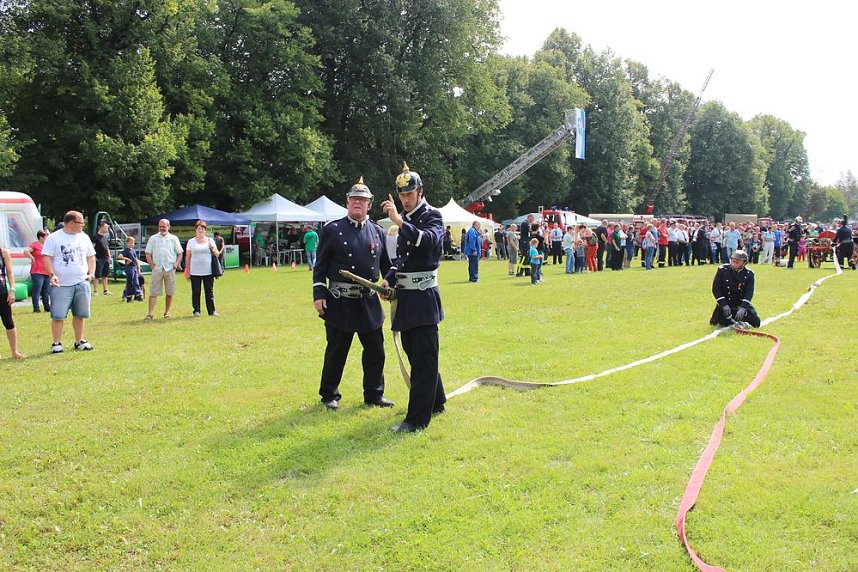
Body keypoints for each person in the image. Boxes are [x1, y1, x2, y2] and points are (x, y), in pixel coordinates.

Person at [314, 177, 394, 411]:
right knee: (336, 352)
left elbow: (387, 266)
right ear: (347, 202)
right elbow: (320, 267)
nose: (357, 203)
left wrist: (388, 282)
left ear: (369, 205)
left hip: (368, 302)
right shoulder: (332, 230)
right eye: (354, 199)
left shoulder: (378, 232)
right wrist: (319, 294)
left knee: (375, 352)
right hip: (340, 302)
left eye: (362, 200)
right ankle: (329, 394)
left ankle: (374, 394)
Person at [380, 163, 446, 433]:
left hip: (423, 296)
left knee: (423, 357)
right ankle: (437, 400)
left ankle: (416, 420)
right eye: (402, 195)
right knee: (417, 353)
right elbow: (403, 261)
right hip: (406, 298)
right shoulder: (408, 218)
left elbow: (428, 241)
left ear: (420, 191)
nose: (406, 199)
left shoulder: (433, 216)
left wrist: (398, 221)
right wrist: (389, 278)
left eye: (410, 194)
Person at [41, 210, 96, 353]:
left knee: (80, 314)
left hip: (81, 282)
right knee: (58, 315)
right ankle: (56, 343)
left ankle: (80, 341)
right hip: (61, 285)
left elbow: (91, 257)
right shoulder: (54, 238)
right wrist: (52, 274)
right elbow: (46, 257)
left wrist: (91, 274)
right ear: (72, 223)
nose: (83, 225)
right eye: (81, 223)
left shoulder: (84, 237)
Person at [709, 250, 761, 328]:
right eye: (734, 259)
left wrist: (743, 308)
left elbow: (749, 293)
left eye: (738, 261)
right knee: (720, 322)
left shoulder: (749, 274)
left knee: (756, 322)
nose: (735, 262)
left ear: (744, 262)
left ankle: (743, 323)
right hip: (725, 305)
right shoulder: (723, 270)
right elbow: (716, 289)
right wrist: (724, 305)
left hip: (739, 305)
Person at [144, 218, 183, 320]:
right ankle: (150, 314)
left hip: (170, 268)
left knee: (170, 292)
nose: (162, 228)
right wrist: (152, 266)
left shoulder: (174, 238)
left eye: (164, 226)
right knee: (153, 292)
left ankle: (167, 312)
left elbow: (179, 253)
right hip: (157, 268)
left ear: (168, 227)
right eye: (160, 226)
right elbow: (148, 253)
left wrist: (176, 264)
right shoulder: (153, 238)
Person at [183, 220, 220, 317]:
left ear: (205, 230)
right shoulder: (191, 241)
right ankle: (196, 310)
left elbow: (217, 254)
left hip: (208, 270)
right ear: (195, 230)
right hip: (195, 271)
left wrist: (212, 248)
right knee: (196, 292)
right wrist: (187, 270)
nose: (200, 231)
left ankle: (211, 311)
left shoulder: (210, 240)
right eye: (199, 229)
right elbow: (188, 256)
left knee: (209, 291)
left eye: (202, 229)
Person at [0, 245, 26, 358]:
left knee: (8, 321)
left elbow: (10, 273)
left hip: (2, 292)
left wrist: (12, 290)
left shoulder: (4, 252)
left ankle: (14, 352)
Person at [24, 230, 51, 313]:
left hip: (46, 271)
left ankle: (47, 307)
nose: (48, 237)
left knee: (46, 290)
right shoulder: (35, 244)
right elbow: (26, 251)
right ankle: (36, 308)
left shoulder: (48, 246)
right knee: (37, 290)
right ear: (41, 237)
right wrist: (32, 258)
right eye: (46, 236)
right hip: (37, 271)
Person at [117, 236, 144, 302]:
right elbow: (120, 256)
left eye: (133, 243)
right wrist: (127, 259)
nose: (132, 244)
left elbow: (136, 259)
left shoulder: (133, 251)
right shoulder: (125, 250)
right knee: (130, 282)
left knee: (136, 282)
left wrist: (138, 267)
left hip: (134, 267)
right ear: (127, 243)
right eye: (131, 243)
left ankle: (138, 295)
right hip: (129, 268)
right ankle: (128, 296)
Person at [93, 220, 113, 295]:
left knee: (105, 275)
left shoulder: (105, 237)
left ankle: (105, 290)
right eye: (105, 228)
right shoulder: (95, 237)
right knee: (97, 275)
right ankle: (95, 291)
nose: (106, 229)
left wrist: (109, 256)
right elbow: (92, 247)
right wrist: (94, 257)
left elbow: (107, 247)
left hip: (106, 258)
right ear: (100, 227)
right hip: (99, 258)